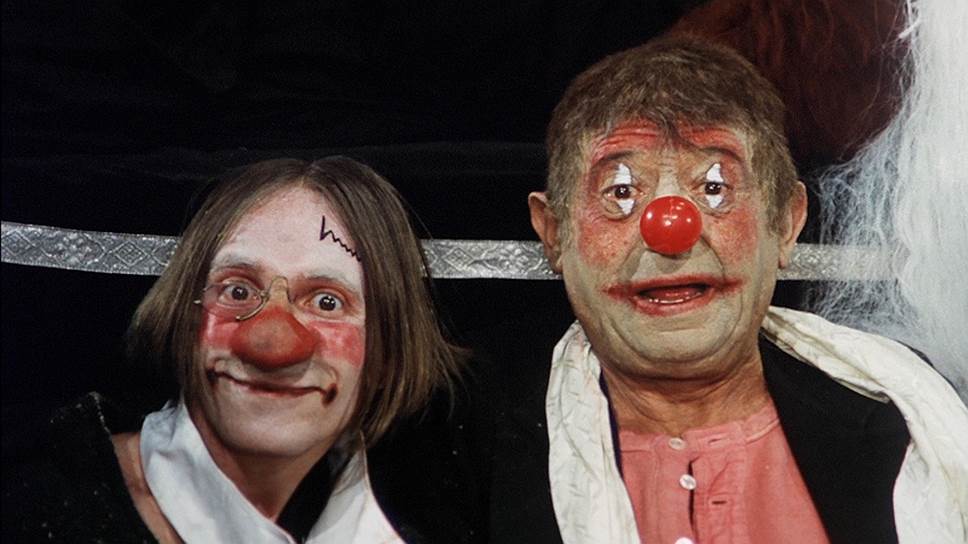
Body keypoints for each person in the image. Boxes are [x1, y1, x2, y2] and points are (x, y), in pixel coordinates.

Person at [481, 36, 968, 543]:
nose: (671, 230)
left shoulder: (904, 426)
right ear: (554, 233)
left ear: (785, 222)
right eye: (621, 192)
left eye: (714, 188)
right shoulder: (472, 446)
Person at [2, 157, 486, 543]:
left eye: (326, 301)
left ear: (386, 353)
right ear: (185, 321)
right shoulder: (37, 507)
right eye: (237, 291)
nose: (272, 344)